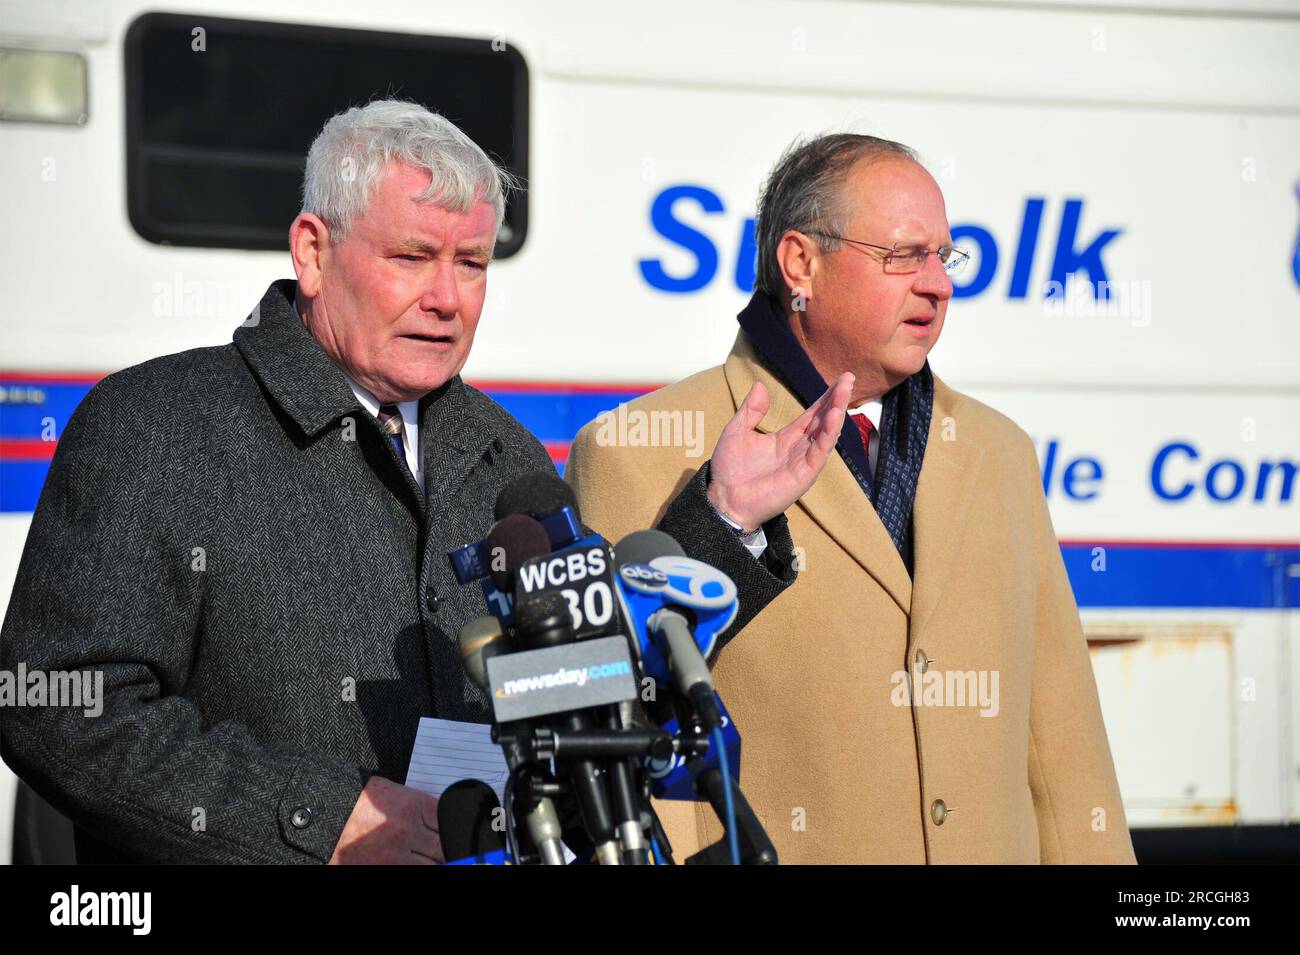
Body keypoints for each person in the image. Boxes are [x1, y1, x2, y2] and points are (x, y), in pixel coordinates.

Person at [0, 101, 852, 864]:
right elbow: (56, 706)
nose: (448, 298)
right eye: (412, 256)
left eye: (473, 263)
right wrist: (323, 820)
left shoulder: (505, 452)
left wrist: (723, 519)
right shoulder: (156, 423)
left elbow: (589, 676)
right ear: (313, 251)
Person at [565, 133, 1136, 863]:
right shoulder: (636, 449)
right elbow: (622, 746)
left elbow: (1063, 743)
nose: (938, 284)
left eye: (945, 257)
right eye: (904, 256)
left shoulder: (1001, 454)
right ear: (801, 262)